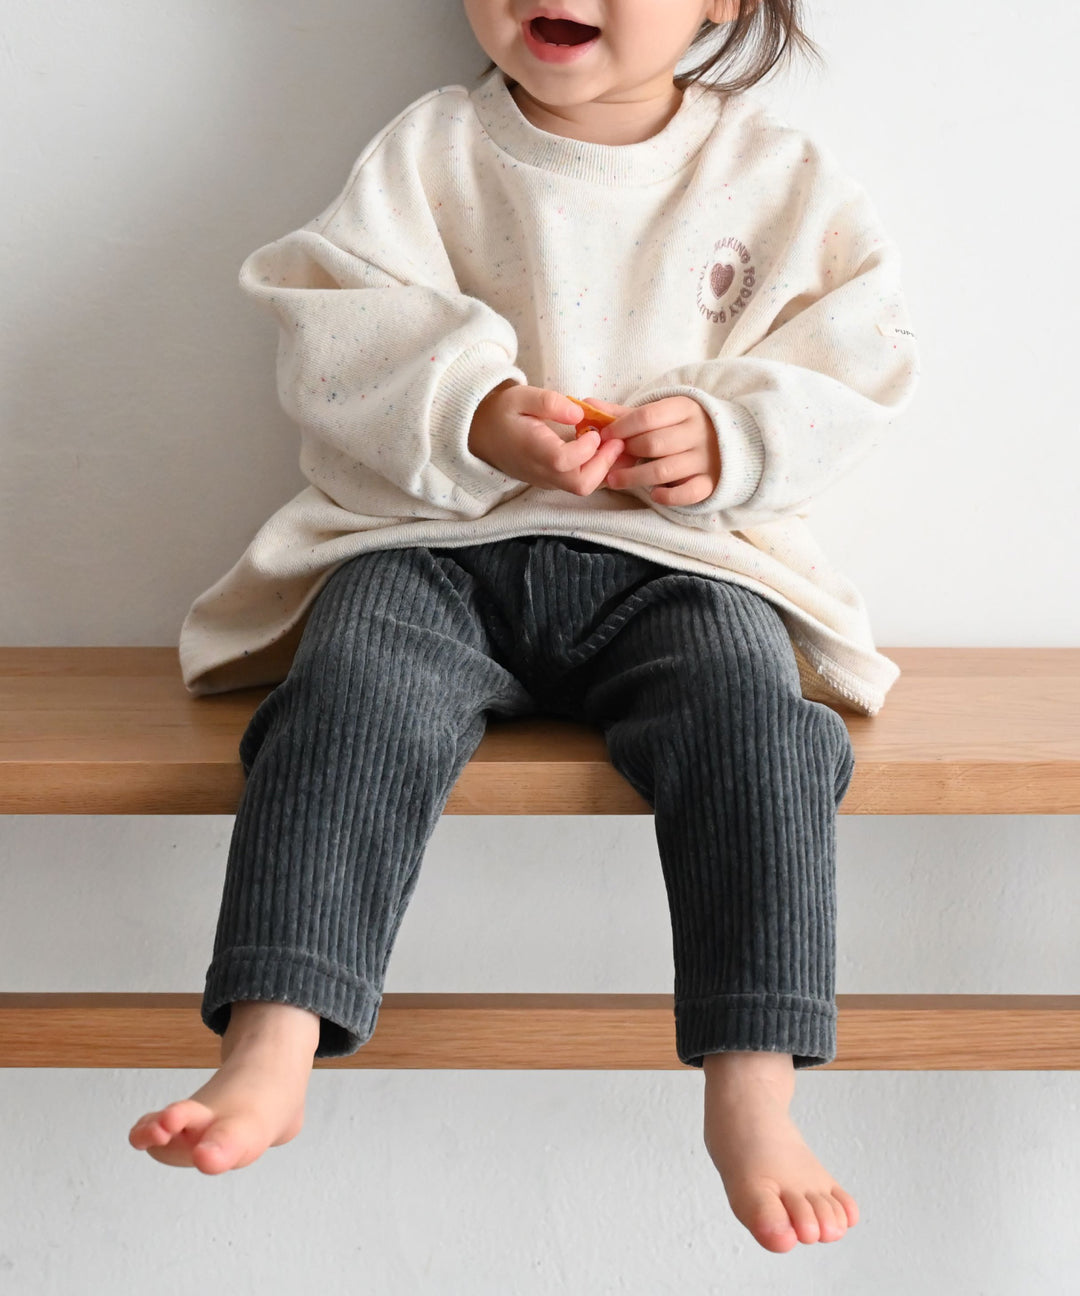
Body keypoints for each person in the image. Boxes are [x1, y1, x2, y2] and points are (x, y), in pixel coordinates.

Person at [129, 0, 920, 1255]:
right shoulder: (433, 151)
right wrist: (475, 409)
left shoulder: (775, 176)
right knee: (348, 695)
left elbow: (857, 362)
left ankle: (755, 1088)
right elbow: (337, 322)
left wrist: (731, 434)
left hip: (680, 565)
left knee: (760, 732)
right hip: (431, 553)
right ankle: (271, 1040)